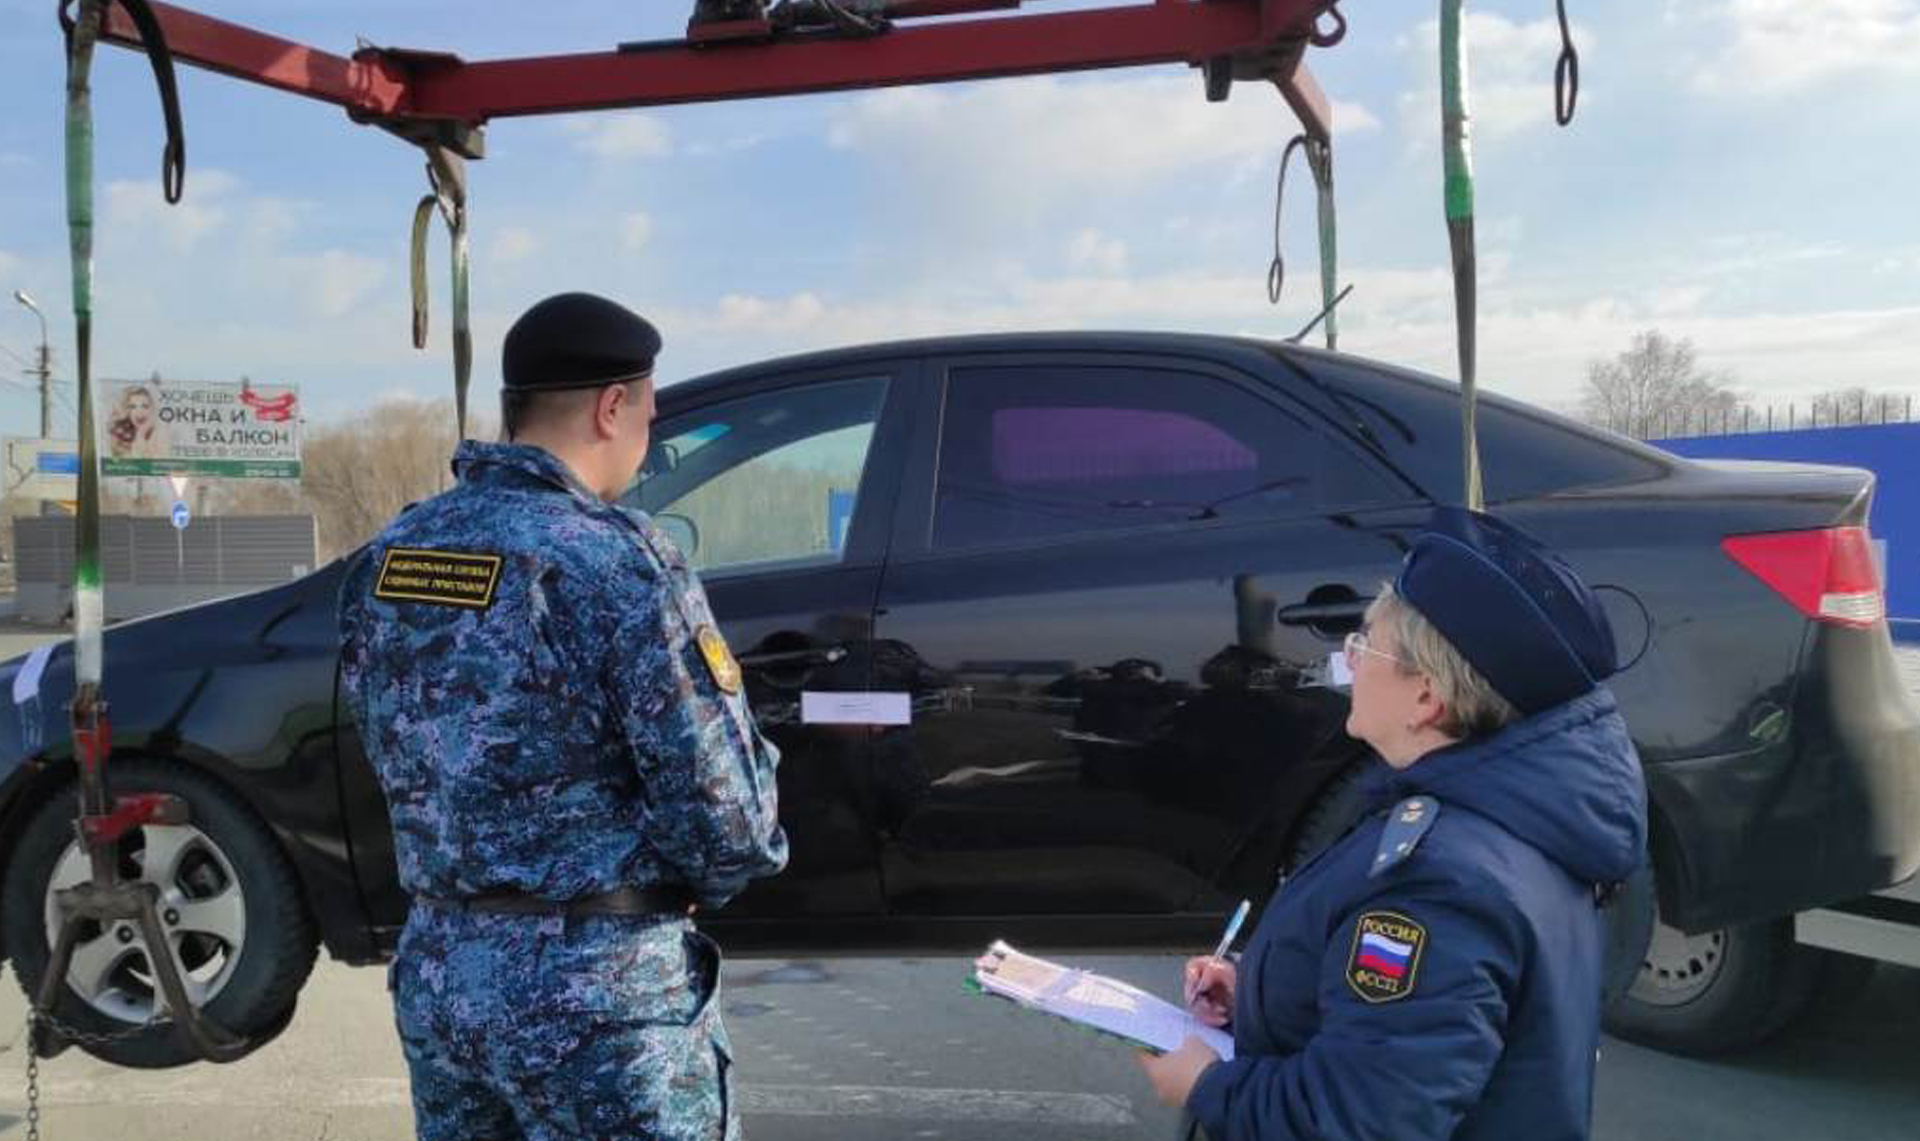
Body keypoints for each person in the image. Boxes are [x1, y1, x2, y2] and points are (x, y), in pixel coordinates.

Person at [338, 291, 788, 1141]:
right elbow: (725, 813)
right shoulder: (613, 557)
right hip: (598, 997)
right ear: (613, 407)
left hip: (443, 977)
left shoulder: (390, 555)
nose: (646, 447)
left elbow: (393, 748)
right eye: (649, 418)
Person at [1138, 506, 1647, 1140]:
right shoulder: (1508, 818)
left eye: (1363, 643)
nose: (1348, 659)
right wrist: (1258, 998)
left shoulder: (1440, 886)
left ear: (1427, 697)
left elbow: (1360, 1120)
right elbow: (1412, 1034)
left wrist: (1207, 1085)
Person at [107, 384, 168, 459]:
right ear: (127, 410)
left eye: (145, 406)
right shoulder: (119, 435)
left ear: (152, 408)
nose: (139, 412)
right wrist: (140, 434)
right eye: (133, 407)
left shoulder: (159, 433)